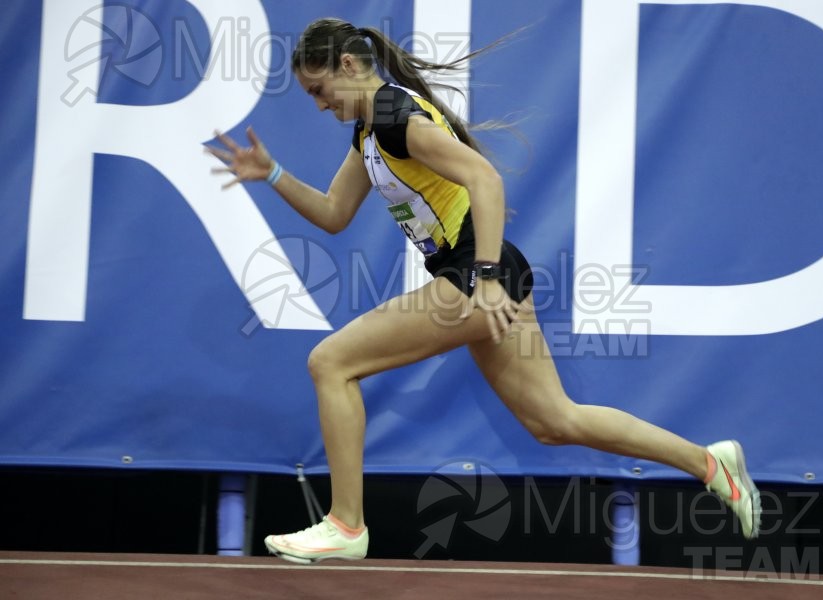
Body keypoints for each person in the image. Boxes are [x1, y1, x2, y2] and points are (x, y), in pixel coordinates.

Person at [205, 18, 760, 564]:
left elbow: (485, 179)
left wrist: (488, 277)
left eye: (319, 90)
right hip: (486, 274)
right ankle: (710, 464)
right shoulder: (370, 129)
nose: (321, 105)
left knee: (331, 363)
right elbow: (333, 214)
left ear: (347, 66)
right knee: (555, 421)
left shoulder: (396, 116)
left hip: (478, 272)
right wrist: (274, 174)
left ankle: (346, 524)